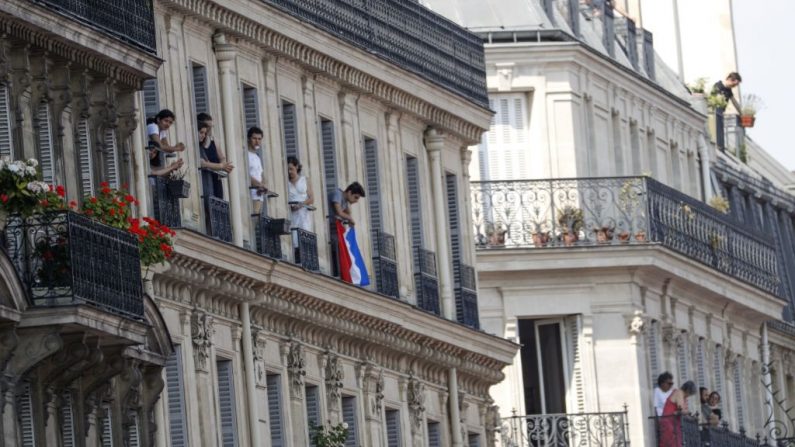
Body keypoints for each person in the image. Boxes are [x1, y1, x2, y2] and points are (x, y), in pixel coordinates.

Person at [197, 117, 234, 199]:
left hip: (215, 179)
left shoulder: (214, 141)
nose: (209, 129)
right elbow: (202, 163)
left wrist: (224, 166)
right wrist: (221, 166)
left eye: (211, 126)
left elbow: (222, 158)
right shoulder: (198, 145)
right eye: (207, 126)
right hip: (204, 180)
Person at [659, 380, 697, 447]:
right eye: (690, 394)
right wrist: (688, 412)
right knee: (671, 443)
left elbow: (681, 411)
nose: (689, 396)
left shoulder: (683, 397)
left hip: (674, 423)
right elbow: (681, 409)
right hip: (669, 422)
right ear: (688, 390)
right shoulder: (679, 392)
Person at [287, 156, 314, 232]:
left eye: (291, 169)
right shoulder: (286, 183)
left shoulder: (305, 180)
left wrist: (300, 205)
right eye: (288, 169)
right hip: (292, 215)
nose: (289, 171)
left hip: (304, 215)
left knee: (304, 234)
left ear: (297, 167)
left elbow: (311, 199)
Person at [246, 127, 268, 214]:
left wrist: (263, 185)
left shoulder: (257, 157)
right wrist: (259, 185)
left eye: (259, 139)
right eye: (254, 138)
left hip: (259, 195)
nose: (257, 141)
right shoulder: (245, 155)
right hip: (251, 195)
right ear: (249, 139)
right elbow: (246, 175)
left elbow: (261, 174)